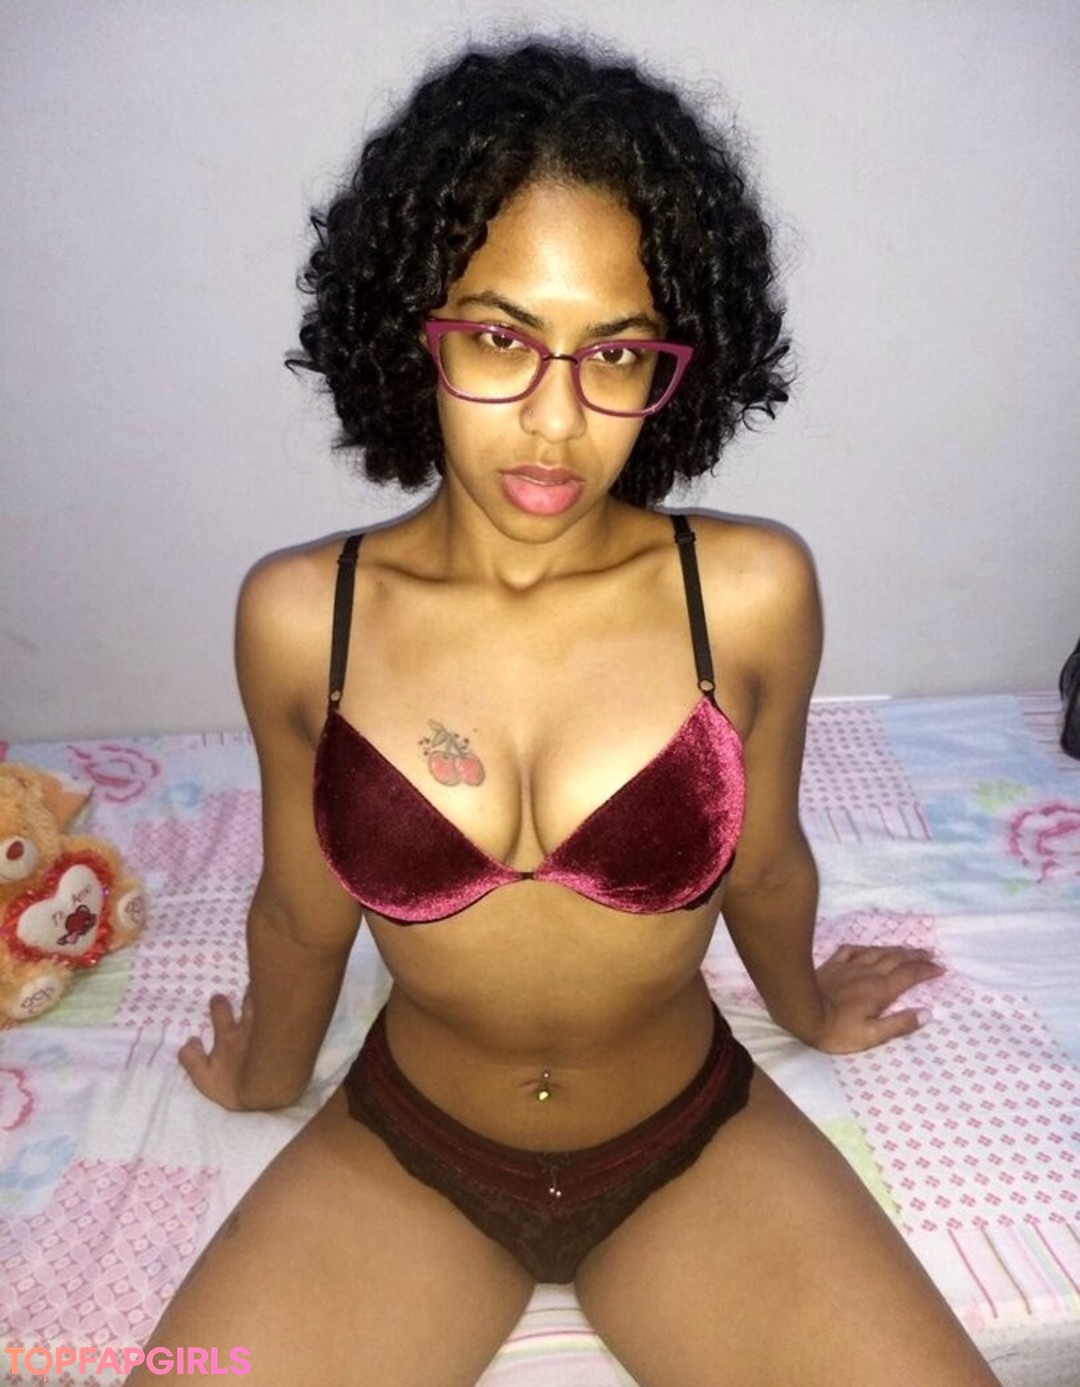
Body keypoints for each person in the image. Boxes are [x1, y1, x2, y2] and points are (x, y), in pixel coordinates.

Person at [131, 40, 1001, 1387]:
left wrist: (809, 1008)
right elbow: (302, 912)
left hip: (691, 1148)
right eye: (500, 338)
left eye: (617, 353)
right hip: (408, 1155)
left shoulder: (748, 594)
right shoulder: (306, 617)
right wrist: (267, 1081)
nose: (555, 420)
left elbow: (767, 863)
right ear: (412, 328)